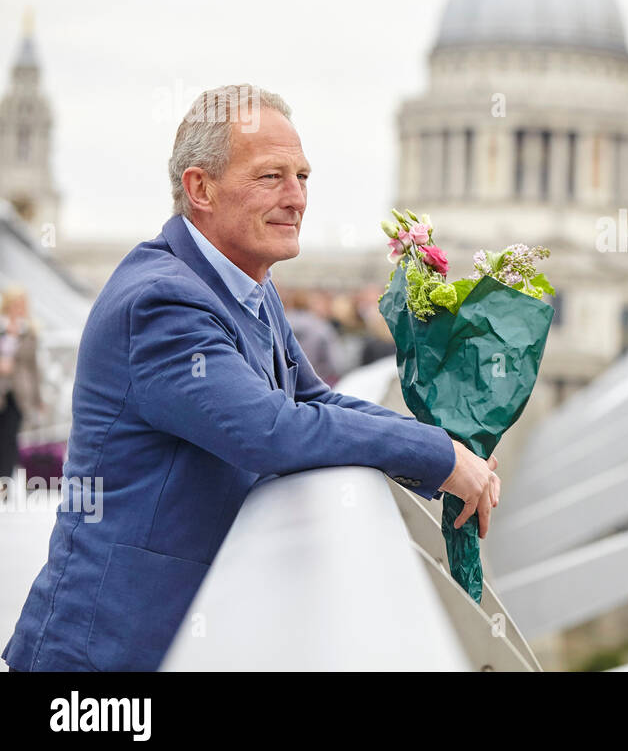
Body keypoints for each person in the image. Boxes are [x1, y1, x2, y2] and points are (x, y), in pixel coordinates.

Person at [2, 84, 500, 672]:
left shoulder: (248, 285)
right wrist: (436, 454)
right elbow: (270, 430)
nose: (297, 198)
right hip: (100, 658)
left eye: (303, 176)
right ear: (200, 188)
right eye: (271, 177)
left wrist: (448, 454)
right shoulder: (162, 301)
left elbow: (315, 399)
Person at [0, 286, 43, 497]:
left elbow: (34, 367)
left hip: (19, 393)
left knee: (9, 439)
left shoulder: (30, 332)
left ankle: (3, 487)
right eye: (16, 304)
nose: (19, 309)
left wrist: (37, 398)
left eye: (22, 305)